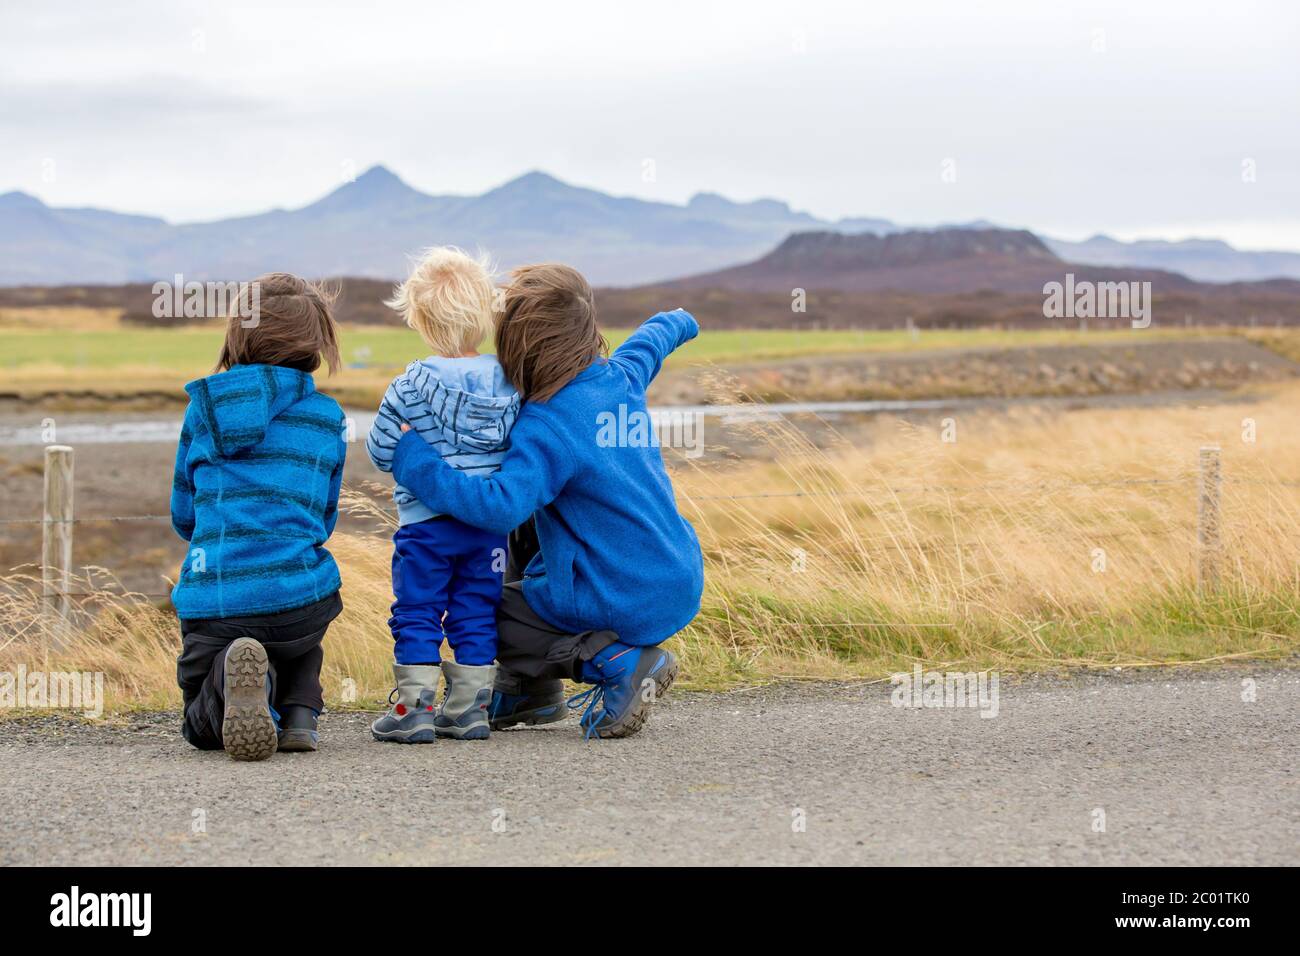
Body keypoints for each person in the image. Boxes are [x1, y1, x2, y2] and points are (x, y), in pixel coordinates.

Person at [390, 263, 703, 739]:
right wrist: (682, 317)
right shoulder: (622, 374)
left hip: (619, 596)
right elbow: (658, 333)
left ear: (521, 347)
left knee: (480, 603)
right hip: (676, 577)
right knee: (521, 536)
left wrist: (416, 464)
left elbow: (499, 505)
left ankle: (619, 661)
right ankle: (528, 692)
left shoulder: (546, 424)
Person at [171, 273, 346, 761]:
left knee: (200, 724)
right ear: (317, 341)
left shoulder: (203, 411)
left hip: (219, 604)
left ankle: (241, 675)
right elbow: (323, 518)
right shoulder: (327, 416)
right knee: (307, 591)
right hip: (297, 608)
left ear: (238, 334)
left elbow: (184, 514)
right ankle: (298, 714)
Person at [366, 248, 519, 742]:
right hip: (489, 526)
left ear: (420, 319)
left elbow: (380, 451)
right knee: (477, 606)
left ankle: (415, 710)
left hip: (425, 527)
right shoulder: (510, 383)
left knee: (418, 609)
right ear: (485, 314)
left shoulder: (409, 385)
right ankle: (472, 708)